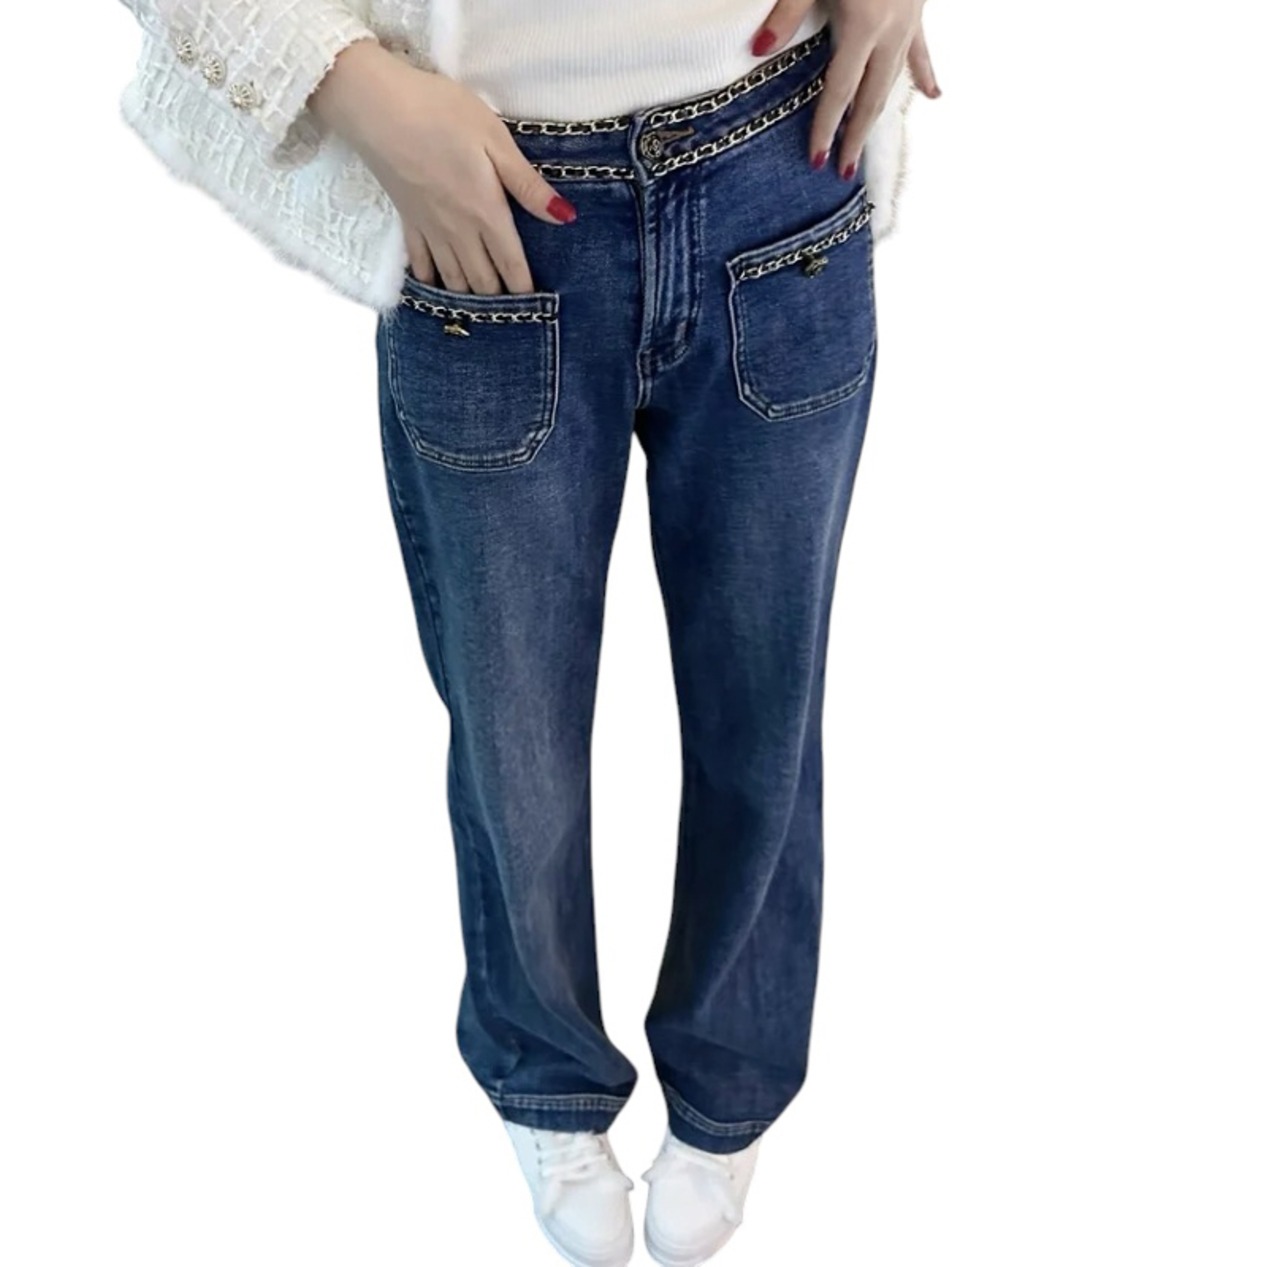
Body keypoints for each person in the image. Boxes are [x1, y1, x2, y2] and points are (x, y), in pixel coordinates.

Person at [116, 2, 940, 1264]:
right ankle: (546, 1075)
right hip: (482, 196)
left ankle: (732, 1077)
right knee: (515, 740)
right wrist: (354, 90)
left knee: (763, 702)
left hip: (779, 159)